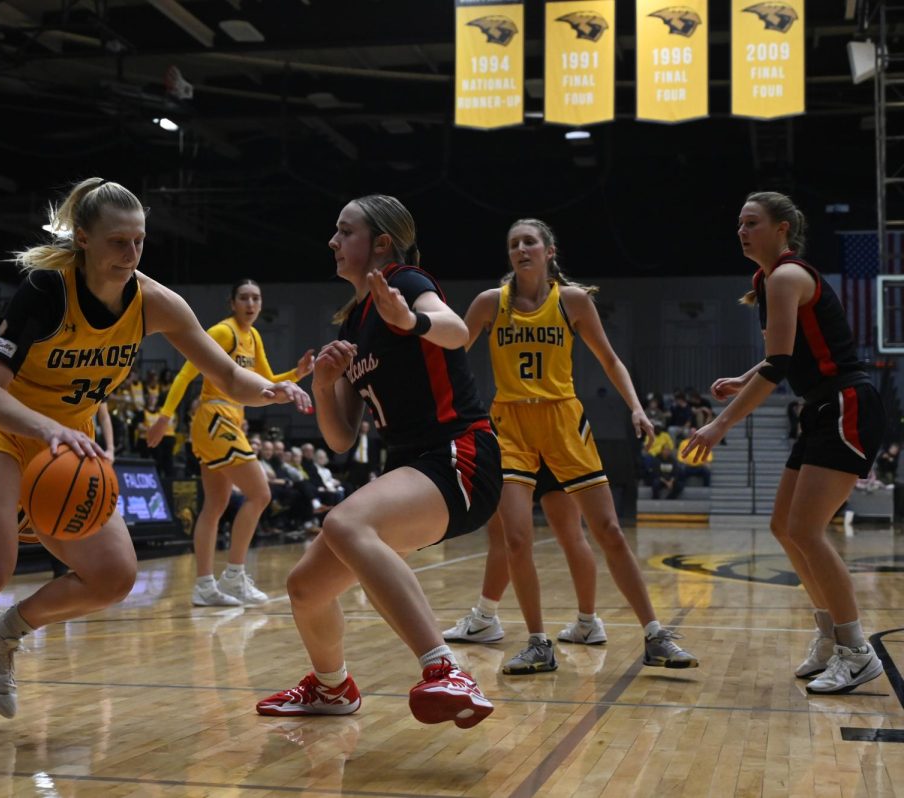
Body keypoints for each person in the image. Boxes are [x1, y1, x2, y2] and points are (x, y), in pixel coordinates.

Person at [0, 178, 309, 753]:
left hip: (67, 445)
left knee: (114, 577)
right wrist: (48, 429)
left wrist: (278, 389)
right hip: (4, 428)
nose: (131, 255)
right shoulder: (45, 290)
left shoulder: (155, 302)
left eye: (139, 242)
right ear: (83, 239)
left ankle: (1, 632)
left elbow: (231, 378)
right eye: (118, 242)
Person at [256, 194, 500, 728]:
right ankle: (331, 687)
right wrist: (323, 385)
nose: (333, 241)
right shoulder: (353, 327)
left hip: (460, 456)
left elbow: (456, 331)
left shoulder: (408, 283)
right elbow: (341, 438)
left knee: (345, 522)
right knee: (305, 586)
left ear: (381, 242)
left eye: (345, 231)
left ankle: (445, 669)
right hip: (413, 473)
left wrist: (411, 320)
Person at [455, 218, 697, 676]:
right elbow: (451, 357)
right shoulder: (490, 304)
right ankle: (537, 642)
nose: (521, 249)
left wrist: (636, 408)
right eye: (513, 244)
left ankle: (654, 634)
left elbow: (609, 358)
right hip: (510, 425)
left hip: (564, 422)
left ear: (549, 251)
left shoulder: (572, 301)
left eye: (529, 242)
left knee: (606, 529)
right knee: (516, 538)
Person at [684, 191, 886, 694]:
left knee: (807, 529)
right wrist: (743, 374)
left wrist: (720, 424)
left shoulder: (787, 276)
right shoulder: (769, 280)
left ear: (783, 228)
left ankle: (857, 650)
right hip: (821, 407)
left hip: (845, 404)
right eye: (739, 223)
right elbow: (785, 352)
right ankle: (828, 636)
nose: (742, 231)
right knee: (784, 526)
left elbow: (778, 367)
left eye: (752, 222)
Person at [146, 279, 314, 606]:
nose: (251, 304)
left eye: (256, 298)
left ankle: (204, 586)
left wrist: (297, 373)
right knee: (260, 492)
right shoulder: (224, 332)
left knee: (215, 505)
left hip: (229, 418)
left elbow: (268, 381)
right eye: (244, 298)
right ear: (232, 303)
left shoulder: (254, 337)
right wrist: (165, 416)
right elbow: (185, 374)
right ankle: (234, 575)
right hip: (215, 417)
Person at [443, 463, 604, 647]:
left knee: (504, 536)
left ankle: (485, 618)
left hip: (516, 449)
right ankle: (587, 622)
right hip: (554, 445)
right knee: (573, 536)